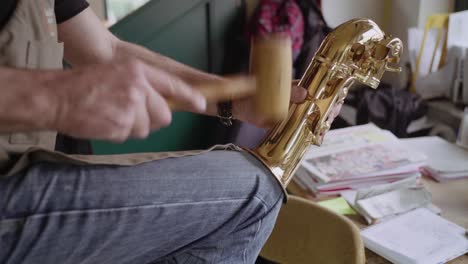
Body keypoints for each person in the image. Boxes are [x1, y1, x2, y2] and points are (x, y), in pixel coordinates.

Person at [0, 0, 308, 263]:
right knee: (254, 193)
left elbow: (107, 49)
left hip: (27, 172)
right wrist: (53, 99)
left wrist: (230, 100)